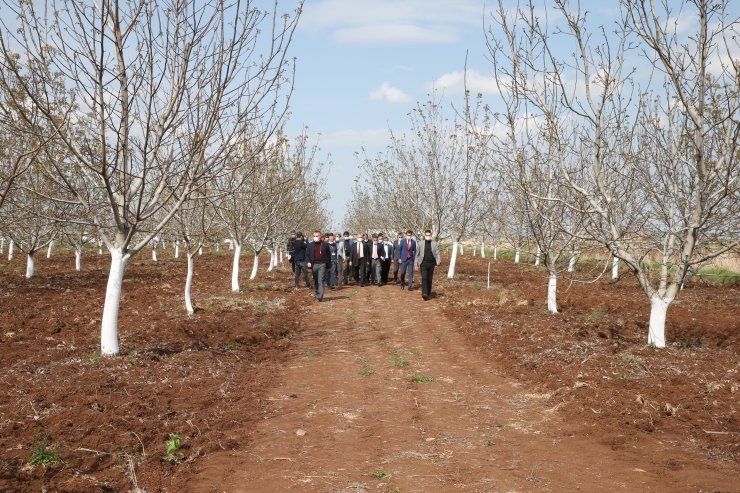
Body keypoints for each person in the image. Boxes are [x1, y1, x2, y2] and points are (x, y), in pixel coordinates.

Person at [415, 230, 441, 301]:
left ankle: (428, 293)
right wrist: (416, 265)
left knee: (429, 279)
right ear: (424, 235)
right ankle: (424, 293)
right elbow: (416, 255)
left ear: (431, 235)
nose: (428, 236)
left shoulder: (434, 243)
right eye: (427, 235)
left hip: (431, 263)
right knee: (424, 278)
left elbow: (438, 253)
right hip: (423, 263)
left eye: (429, 235)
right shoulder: (420, 243)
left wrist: (438, 261)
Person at [307, 230, 331, 301]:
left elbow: (328, 256)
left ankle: (320, 295)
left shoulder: (325, 245)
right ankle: (316, 292)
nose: (315, 237)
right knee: (315, 280)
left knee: (321, 280)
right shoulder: (310, 245)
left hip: (322, 264)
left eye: (317, 236)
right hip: (314, 264)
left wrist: (328, 266)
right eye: (314, 236)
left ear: (320, 236)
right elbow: (307, 254)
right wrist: (308, 262)